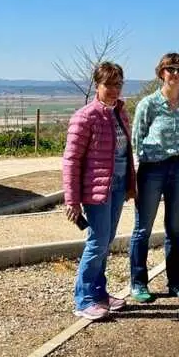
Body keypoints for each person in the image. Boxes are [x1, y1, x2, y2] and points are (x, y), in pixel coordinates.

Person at [62, 61, 136, 320]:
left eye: (118, 84)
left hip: (117, 187)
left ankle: (99, 293)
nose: (114, 89)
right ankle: (83, 300)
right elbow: (71, 160)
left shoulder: (121, 113)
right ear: (97, 85)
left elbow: (126, 153)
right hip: (96, 190)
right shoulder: (84, 117)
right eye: (109, 84)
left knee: (105, 241)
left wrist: (130, 185)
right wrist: (72, 200)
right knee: (97, 242)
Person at [129, 53, 179, 303]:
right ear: (161, 73)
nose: (175, 74)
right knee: (143, 229)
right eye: (170, 69)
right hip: (152, 170)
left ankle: (175, 282)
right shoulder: (148, 104)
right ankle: (138, 283)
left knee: (175, 229)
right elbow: (136, 139)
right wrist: (134, 175)